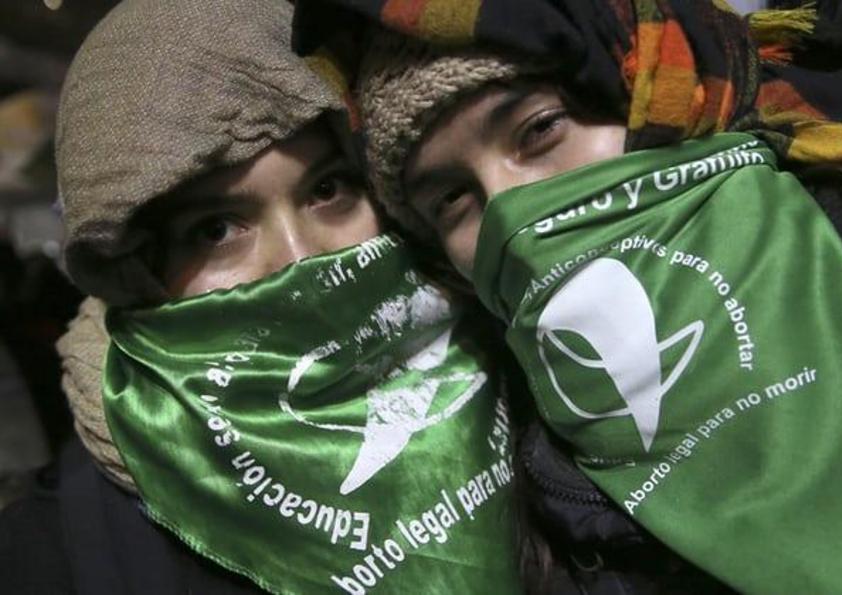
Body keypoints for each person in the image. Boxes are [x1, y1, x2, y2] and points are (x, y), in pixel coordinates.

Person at [292, 1, 842, 592]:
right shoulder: (532, 485)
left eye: (539, 131)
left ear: (661, 101)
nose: (511, 212)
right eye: (450, 198)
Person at [0, 1, 521, 593]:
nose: (302, 259)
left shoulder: (535, 369)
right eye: (216, 230)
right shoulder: (57, 557)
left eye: (329, 190)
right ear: (141, 275)